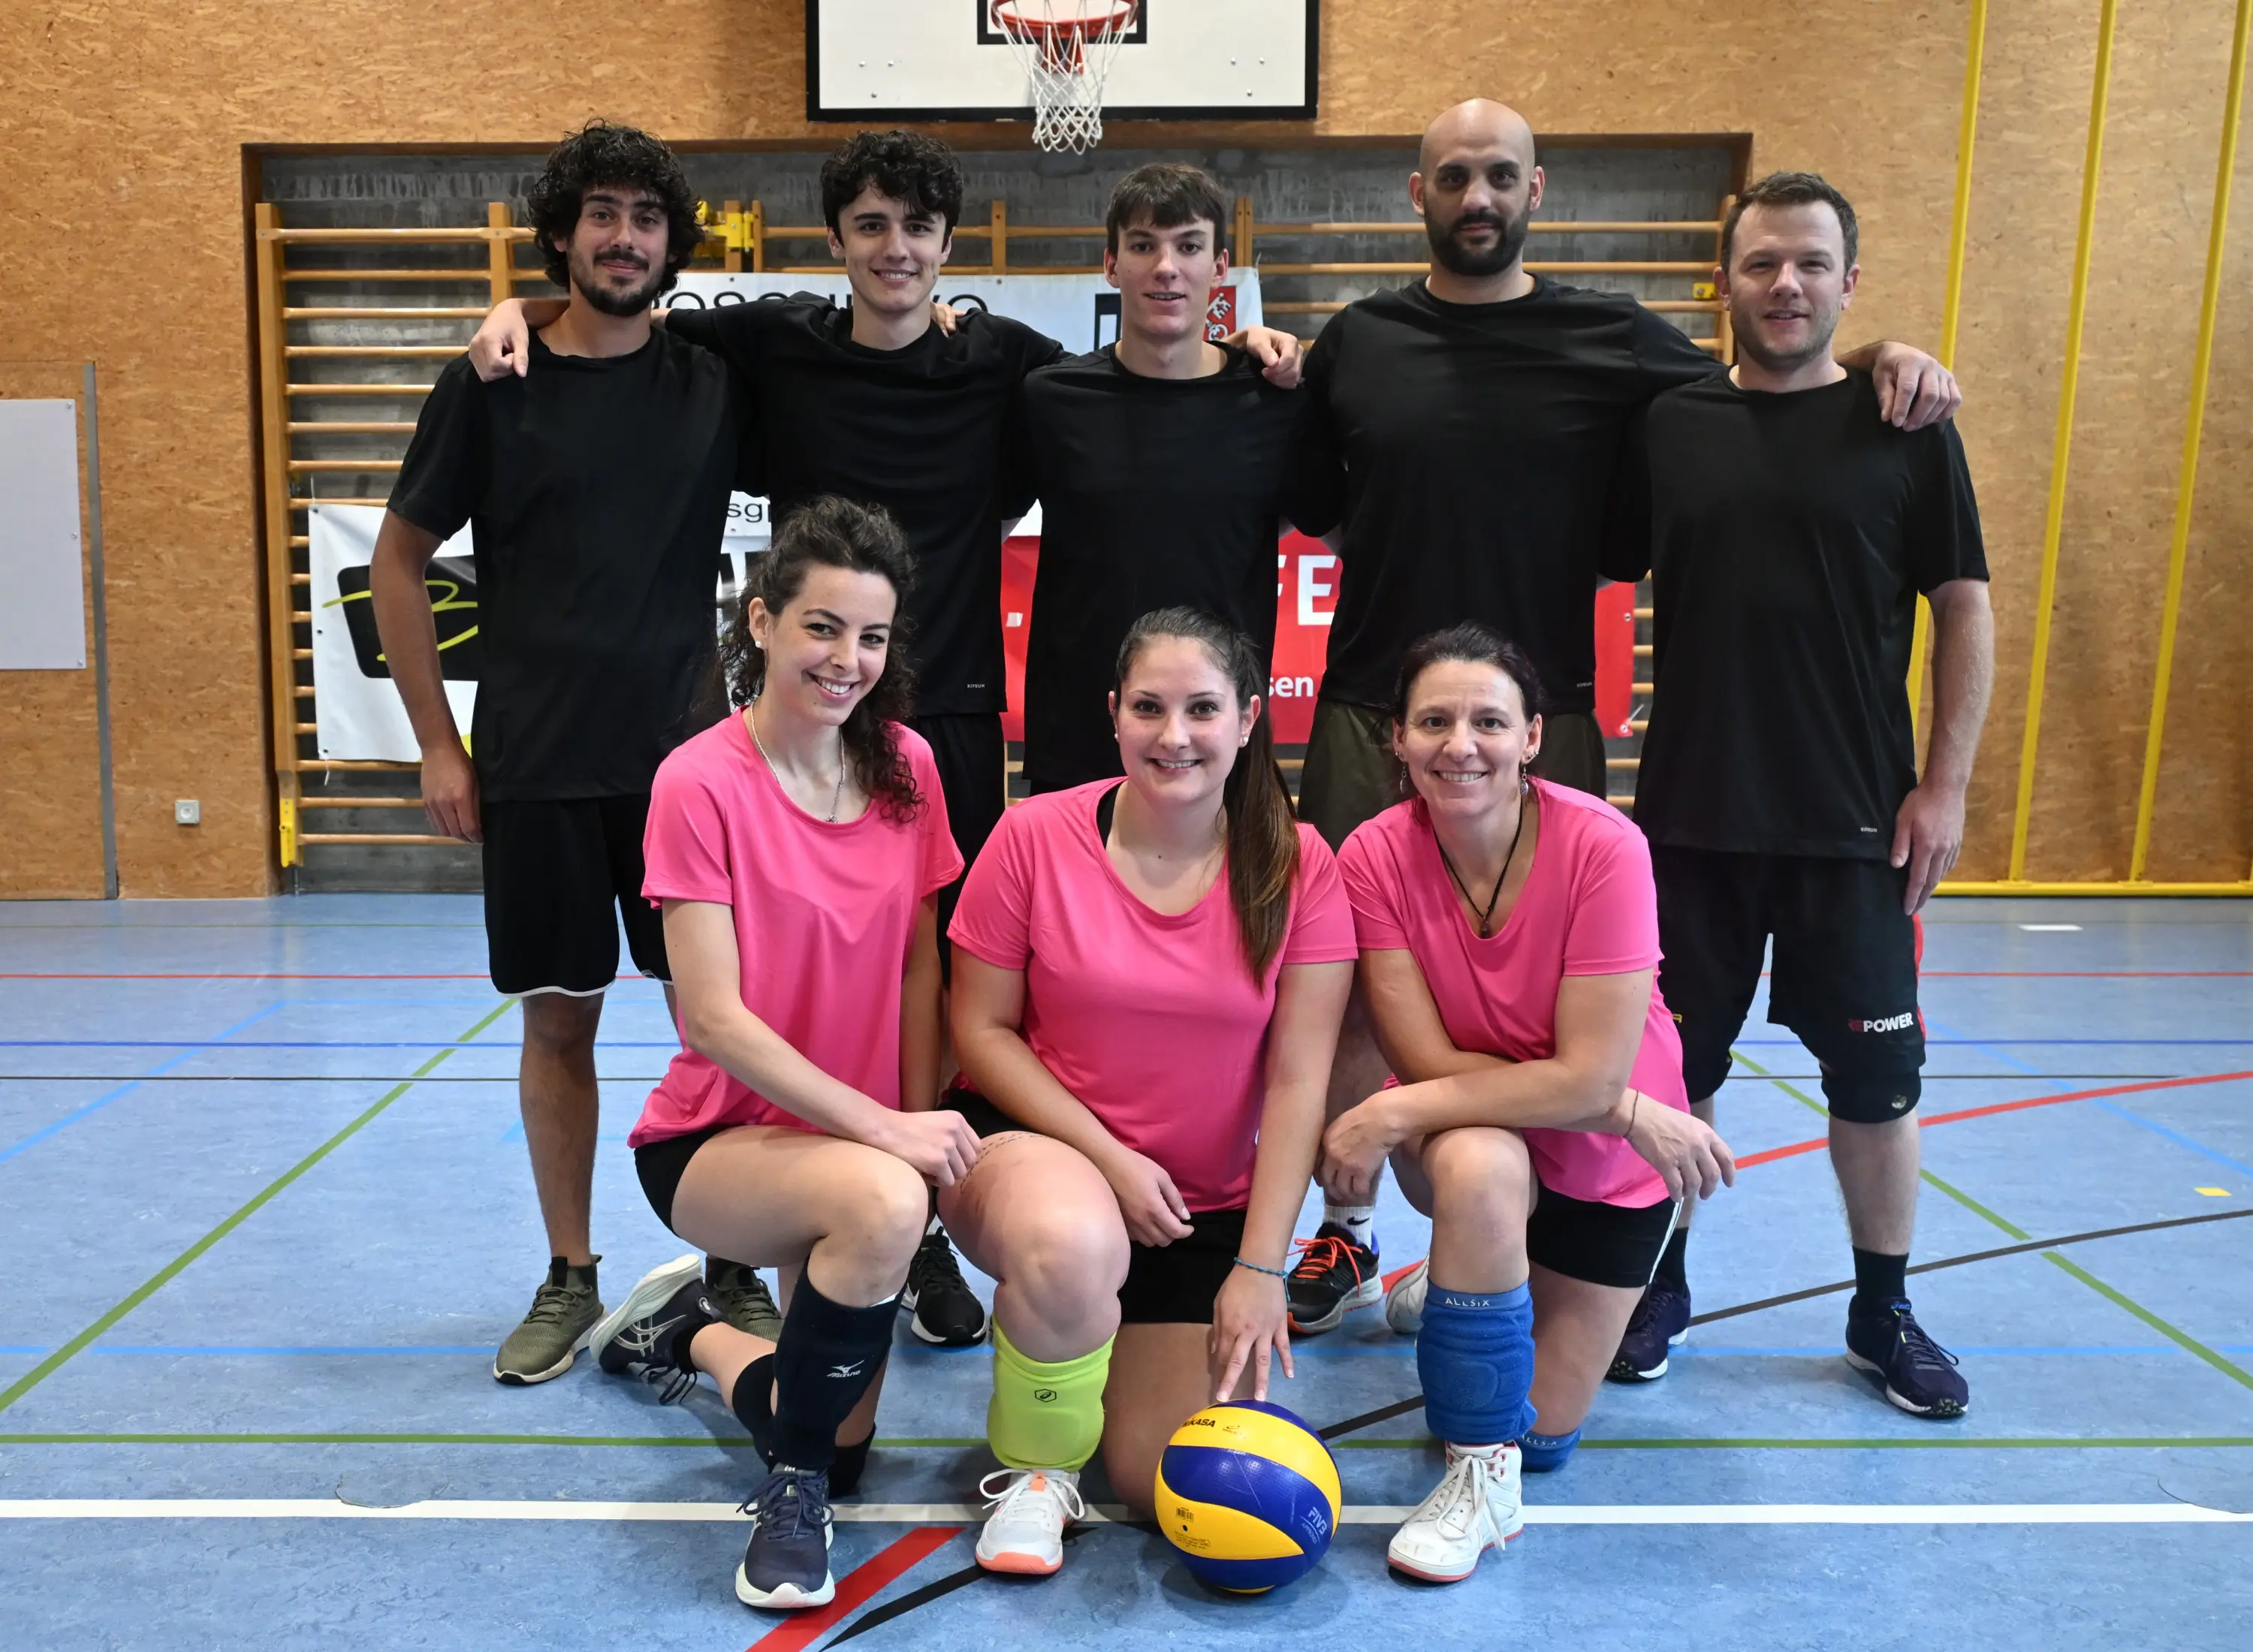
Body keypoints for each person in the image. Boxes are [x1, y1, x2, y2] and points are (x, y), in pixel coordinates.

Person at [466, 132, 1304, 1346]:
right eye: (870, 225)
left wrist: (1260, 345)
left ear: (949, 248)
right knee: (764, 978)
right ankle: (741, 1244)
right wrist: (520, 304)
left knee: (946, 983)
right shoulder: (773, 351)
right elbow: (618, 317)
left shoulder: (1010, 369)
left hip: (946, 715)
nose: (895, 248)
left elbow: (1161, 385)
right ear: (837, 240)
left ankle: (926, 1219)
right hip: (804, 716)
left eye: (916, 228)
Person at [1279, 98, 1963, 1331]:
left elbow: (1778, 387)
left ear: (1537, 193)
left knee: (1539, 1000)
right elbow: (1313, 501)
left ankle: (1518, 1233)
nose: (1476, 195)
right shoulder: (1358, 344)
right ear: (1418, 194)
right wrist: (1264, 359)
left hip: (1546, 726)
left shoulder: (1619, 343)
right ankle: (1345, 1233)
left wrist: (1882, 360)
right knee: (1343, 989)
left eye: (1500, 175)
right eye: (1453, 177)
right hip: (1372, 708)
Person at [370, 122, 777, 1386]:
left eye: (647, 219)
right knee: (560, 1026)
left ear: (674, 242)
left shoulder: (713, 376)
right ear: (562, 232)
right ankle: (569, 1272)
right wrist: (440, 744)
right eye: (601, 215)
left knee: (719, 1031)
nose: (624, 239)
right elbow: (397, 559)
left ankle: (733, 1263)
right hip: (538, 764)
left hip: (688, 776)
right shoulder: (492, 383)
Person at [1600, 172, 1993, 1417]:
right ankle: (1659, 1284)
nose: (1786, 284)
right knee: (1676, 1079)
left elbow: (1966, 609)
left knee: (1877, 1090)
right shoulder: (1668, 423)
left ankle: (1884, 1311)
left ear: (1848, 283)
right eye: (1763, 263)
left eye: (1811, 265)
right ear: (1725, 280)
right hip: (1691, 823)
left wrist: (1946, 785)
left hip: (1858, 829)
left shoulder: (1907, 424)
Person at [580, 496, 980, 1611]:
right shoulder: (698, 781)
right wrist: (891, 1139)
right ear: (760, 622)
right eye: (821, 627)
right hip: (719, 1142)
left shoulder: (905, 764)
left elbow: (916, 970)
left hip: (855, 1151)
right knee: (879, 1214)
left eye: (872, 637)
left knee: (845, 1426)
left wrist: (915, 1123)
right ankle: (791, 1501)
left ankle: (691, 1334)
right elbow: (712, 1018)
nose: (847, 660)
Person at [941, 607, 1356, 1575]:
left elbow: (1300, 1080)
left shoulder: (1300, 864)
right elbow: (981, 1032)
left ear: (1249, 718)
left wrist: (1259, 1271)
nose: (1176, 735)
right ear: (1114, 716)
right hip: (1031, 1156)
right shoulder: (1033, 835)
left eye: (1203, 708)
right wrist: (1111, 1160)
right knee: (1072, 1240)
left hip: (1195, 1209)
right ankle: (1035, 1474)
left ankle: (1085, 1354)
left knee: (1158, 1476)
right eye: (1151, 707)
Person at [1326, 624, 1735, 1584]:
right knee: (1475, 1162)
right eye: (1434, 720)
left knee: (1543, 1430)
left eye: (1487, 721)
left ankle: (1463, 1285)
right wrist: (1622, 1103)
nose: (1459, 743)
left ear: (1533, 736)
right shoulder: (1375, 853)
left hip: (1605, 1163)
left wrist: (1615, 1109)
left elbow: (1587, 1077)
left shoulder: (1604, 846)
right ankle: (1479, 1479)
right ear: (1397, 738)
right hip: (1502, 1136)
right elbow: (1422, 1057)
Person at [1013, 164, 1304, 795]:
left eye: (1189, 246)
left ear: (1220, 265)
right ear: (1112, 264)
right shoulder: (1051, 399)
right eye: (1144, 245)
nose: (1166, 266)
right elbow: (984, 522)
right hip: (1080, 737)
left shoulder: (1274, 401)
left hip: (1218, 735)